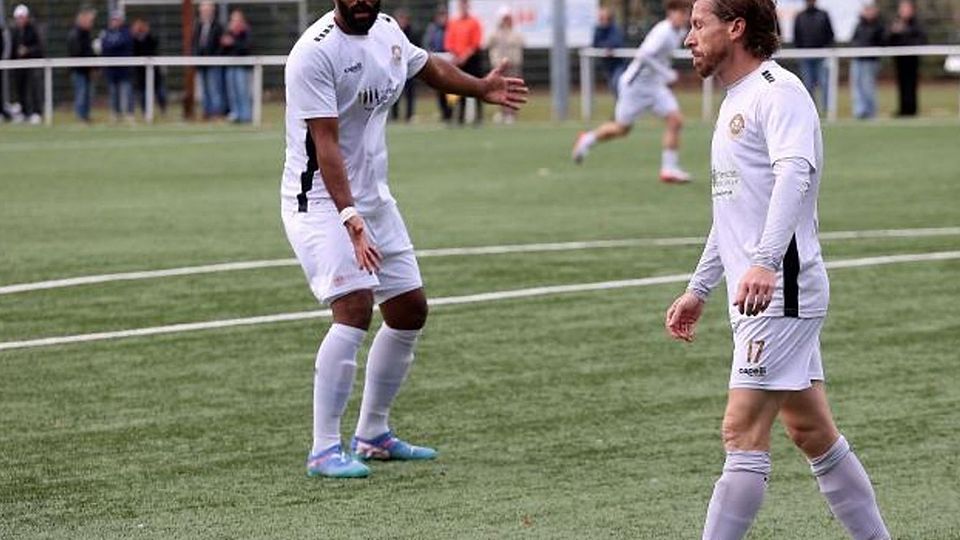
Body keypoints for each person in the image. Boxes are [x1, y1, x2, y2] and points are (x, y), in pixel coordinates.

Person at [670, 1, 890, 538]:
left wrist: (766, 263)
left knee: (740, 431)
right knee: (810, 430)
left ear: (736, 28)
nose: (688, 39)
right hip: (763, 295)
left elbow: (795, 174)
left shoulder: (778, 91)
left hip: (781, 293)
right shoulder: (732, 102)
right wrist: (700, 287)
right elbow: (733, 211)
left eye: (699, 25)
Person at [283, 0, 527, 479]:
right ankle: (324, 448)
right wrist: (350, 217)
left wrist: (480, 88)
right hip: (320, 203)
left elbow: (425, 65)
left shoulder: (389, 31)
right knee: (354, 306)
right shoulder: (313, 54)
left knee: (409, 309)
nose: (361, 2)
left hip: (373, 199)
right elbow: (326, 143)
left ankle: (373, 435)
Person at [572, 0, 692, 184]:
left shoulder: (681, 31)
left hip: (654, 86)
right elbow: (643, 55)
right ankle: (587, 139)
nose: (685, 17)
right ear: (670, 13)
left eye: (687, 13)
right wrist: (666, 73)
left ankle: (669, 169)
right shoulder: (663, 31)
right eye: (681, 13)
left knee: (675, 120)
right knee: (621, 129)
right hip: (634, 87)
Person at [445, 0, 484, 125]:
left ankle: (478, 117)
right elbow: (449, 42)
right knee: (459, 88)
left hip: (472, 60)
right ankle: (460, 117)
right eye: (462, 4)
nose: (464, 6)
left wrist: (465, 56)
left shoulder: (474, 22)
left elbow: (475, 43)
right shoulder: (453, 23)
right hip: (458, 60)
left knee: (476, 87)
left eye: (465, 4)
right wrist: (457, 56)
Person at [792, 0, 834, 112]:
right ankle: (810, 110)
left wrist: (825, 50)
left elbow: (830, 35)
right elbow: (796, 37)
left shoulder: (823, 15)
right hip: (805, 56)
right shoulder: (800, 17)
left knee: (824, 84)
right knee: (808, 85)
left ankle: (827, 110)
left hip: (822, 56)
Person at [888, 0, 926, 117]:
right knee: (901, 84)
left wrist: (904, 31)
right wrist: (893, 32)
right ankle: (903, 109)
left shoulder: (916, 24)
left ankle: (912, 109)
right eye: (902, 8)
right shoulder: (895, 23)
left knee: (911, 84)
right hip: (900, 59)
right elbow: (888, 39)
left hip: (912, 59)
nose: (904, 11)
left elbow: (921, 39)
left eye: (906, 8)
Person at [486, 7, 524, 123]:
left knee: (513, 89)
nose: (506, 20)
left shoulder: (515, 32)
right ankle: (502, 113)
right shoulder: (495, 33)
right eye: (504, 18)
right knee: (499, 90)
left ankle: (511, 113)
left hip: (513, 65)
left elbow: (520, 42)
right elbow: (488, 42)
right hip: (499, 66)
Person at [849, 3, 885, 120]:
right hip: (858, 59)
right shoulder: (859, 25)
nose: (868, 12)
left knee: (868, 87)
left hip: (870, 61)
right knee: (857, 86)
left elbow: (881, 41)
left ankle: (871, 112)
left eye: (870, 10)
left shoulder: (878, 26)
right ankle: (860, 112)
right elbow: (854, 40)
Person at [10, 4, 44, 124]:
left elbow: (40, 47)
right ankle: (24, 112)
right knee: (20, 89)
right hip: (18, 65)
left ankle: (37, 112)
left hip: (33, 63)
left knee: (34, 88)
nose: (20, 20)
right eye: (18, 17)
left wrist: (27, 50)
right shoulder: (14, 30)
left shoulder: (33, 29)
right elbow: (12, 48)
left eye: (22, 17)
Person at [193, 0, 225, 119]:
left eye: (207, 10)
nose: (204, 12)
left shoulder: (218, 26)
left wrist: (214, 57)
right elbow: (195, 43)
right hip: (201, 63)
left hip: (213, 63)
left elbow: (220, 45)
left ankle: (216, 113)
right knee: (204, 90)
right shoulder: (198, 25)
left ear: (212, 11)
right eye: (203, 10)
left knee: (214, 89)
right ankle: (206, 113)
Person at [100, 10, 134, 122]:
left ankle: (129, 113)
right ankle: (116, 113)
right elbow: (105, 46)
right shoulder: (106, 32)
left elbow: (123, 44)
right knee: (113, 93)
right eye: (113, 20)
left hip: (124, 69)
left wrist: (112, 45)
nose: (114, 22)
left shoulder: (126, 32)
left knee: (127, 91)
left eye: (117, 20)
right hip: (111, 69)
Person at [421, 5, 453, 122]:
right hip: (437, 57)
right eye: (440, 15)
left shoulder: (451, 27)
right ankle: (444, 112)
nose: (442, 18)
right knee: (440, 86)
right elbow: (427, 43)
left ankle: (451, 111)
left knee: (451, 87)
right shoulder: (432, 29)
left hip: (450, 58)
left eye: (444, 15)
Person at [132, 18, 168, 117]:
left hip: (154, 71)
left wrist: (146, 33)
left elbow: (154, 44)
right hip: (140, 72)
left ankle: (163, 110)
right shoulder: (133, 39)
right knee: (143, 94)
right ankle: (145, 112)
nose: (140, 28)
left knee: (160, 92)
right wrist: (135, 35)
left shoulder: (150, 37)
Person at [221, 9, 251, 123]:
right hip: (230, 65)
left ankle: (246, 115)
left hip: (242, 66)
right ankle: (236, 114)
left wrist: (233, 42)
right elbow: (223, 49)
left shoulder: (246, 31)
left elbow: (246, 47)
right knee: (232, 93)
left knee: (242, 92)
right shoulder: (228, 31)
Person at [67, 7, 97, 123]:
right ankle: (80, 117)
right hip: (79, 70)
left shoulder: (86, 34)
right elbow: (78, 52)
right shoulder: (76, 34)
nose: (91, 23)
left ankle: (85, 116)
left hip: (86, 70)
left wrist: (94, 66)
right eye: (90, 20)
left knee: (87, 95)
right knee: (81, 94)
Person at [390, 9, 418, 122]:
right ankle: (395, 115)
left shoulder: (412, 33)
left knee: (410, 92)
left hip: (408, 66)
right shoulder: (391, 33)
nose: (402, 21)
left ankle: (409, 115)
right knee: (394, 92)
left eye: (403, 18)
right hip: (394, 68)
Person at [592, 7, 627, 97]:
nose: (601, 20)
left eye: (603, 17)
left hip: (619, 65)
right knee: (613, 87)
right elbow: (596, 43)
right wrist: (606, 47)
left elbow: (616, 42)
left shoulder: (615, 29)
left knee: (617, 85)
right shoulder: (598, 29)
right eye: (600, 18)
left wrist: (608, 47)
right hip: (607, 65)